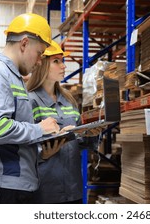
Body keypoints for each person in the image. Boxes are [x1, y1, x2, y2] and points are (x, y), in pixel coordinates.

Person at [0, 13, 62, 204]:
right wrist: (39, 128)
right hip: (3, 190)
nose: (39, 61)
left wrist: (44, 149)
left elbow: (14, 141)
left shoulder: (13, 77)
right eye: (40, 53)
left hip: (15, 186)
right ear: (24, 43)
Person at [27, 40, 100, 204]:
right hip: (44, 191)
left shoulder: (68, 100)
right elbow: (21, 144)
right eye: (56, 61)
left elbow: (77, 143)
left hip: (73, 188)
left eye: (62, 61)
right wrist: (41, 154)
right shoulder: (30, 101)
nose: (63, 66)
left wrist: (89, 134)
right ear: (41, 64)